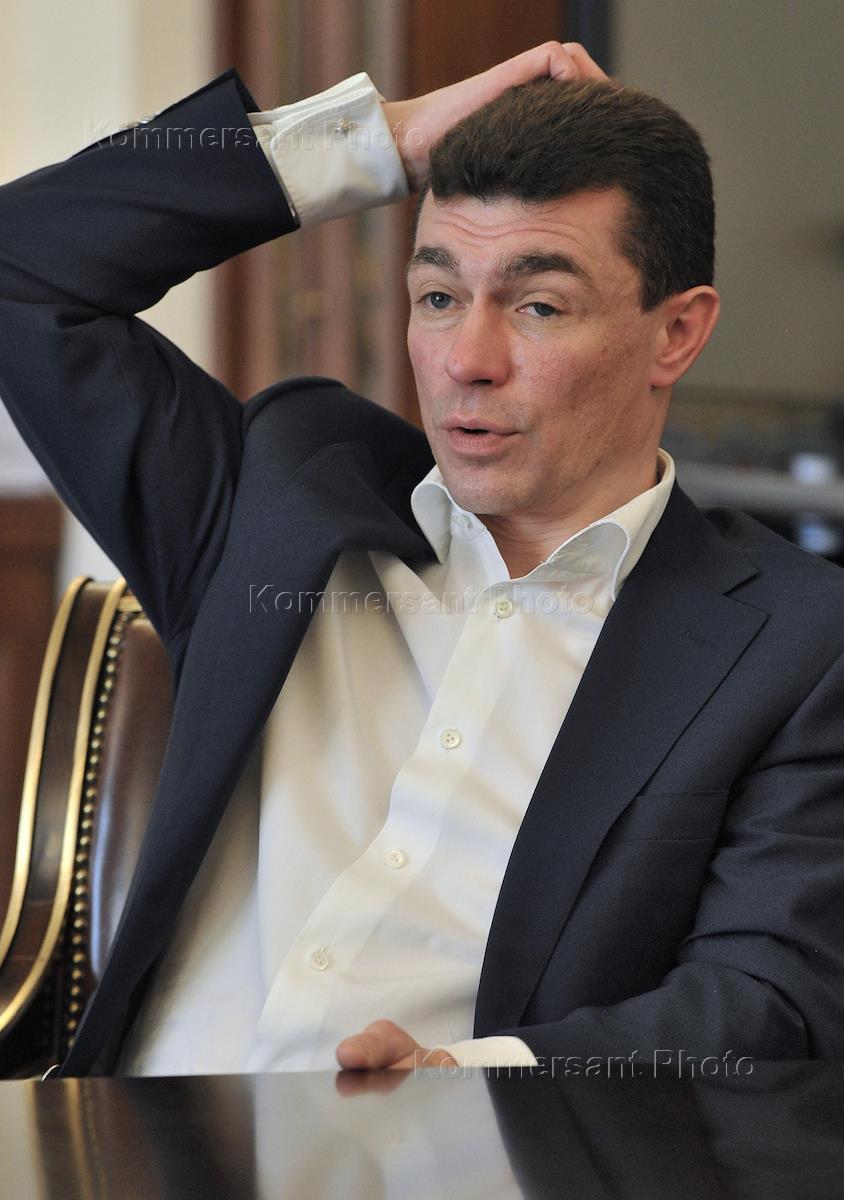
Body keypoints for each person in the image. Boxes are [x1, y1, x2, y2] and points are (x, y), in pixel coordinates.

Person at [1, 41, 843, 1079]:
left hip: (484, 1152)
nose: (465, 362)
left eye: (538, 306)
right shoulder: (280, 496)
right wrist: (386, 142)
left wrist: (473, 1086)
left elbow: (769, 1008)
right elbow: (21, 265)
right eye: (438, 296)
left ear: (676, 333)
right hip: (137, 1137)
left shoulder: (796, 647)